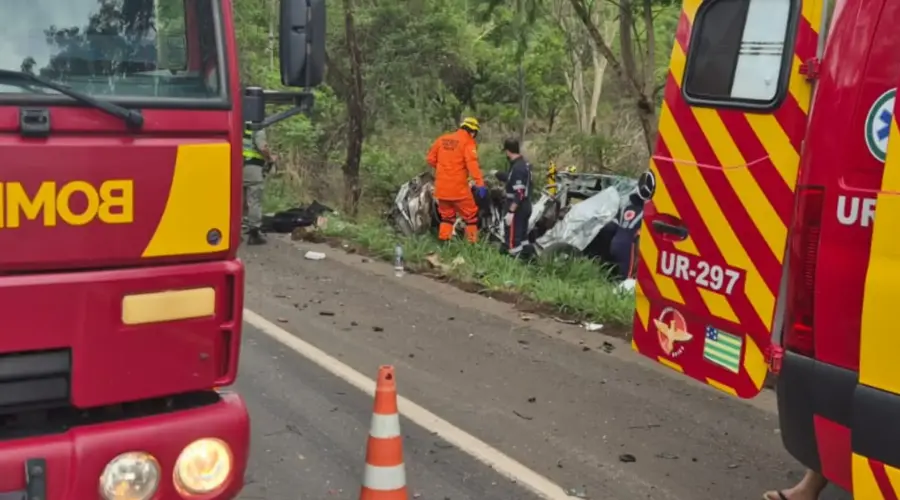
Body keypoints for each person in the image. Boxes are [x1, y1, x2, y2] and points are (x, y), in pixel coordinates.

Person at [426, 117, 488, 243]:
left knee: (447, 217)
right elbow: (472, 164)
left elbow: (431, 159)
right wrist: (480, 184)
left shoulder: (442, 139)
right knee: (471, 216)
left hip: (442, 188)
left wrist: (445, 169)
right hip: (459, 189)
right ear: (473, 132)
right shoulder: (468, 142)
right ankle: (471, 244)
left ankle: (444, 243)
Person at [609, 170, 655, 280]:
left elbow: (613, 225)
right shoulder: (647, 214)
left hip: (614, 244)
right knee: (627, 279)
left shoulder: (626, 207)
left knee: (616, 276)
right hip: (629, 248)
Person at [497, 138, 533, 257]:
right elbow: (514, 180)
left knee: (513, 241)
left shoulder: (518, 167)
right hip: (525, 205)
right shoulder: (523, 164)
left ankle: (514, 267)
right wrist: (499, 174)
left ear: (508, 151)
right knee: (522, 238)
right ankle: (529, 261)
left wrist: (511, 211)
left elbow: (520, 192)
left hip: (517, 206)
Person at [242, 122, 275, 245]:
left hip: (236, 165)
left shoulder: (238, 123)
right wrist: (270, 158)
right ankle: (254, 233)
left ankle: (234, 232)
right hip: (252, 168)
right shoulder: (257, 128)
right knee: (254, 199)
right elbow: (262, 148)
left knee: (239, 201)